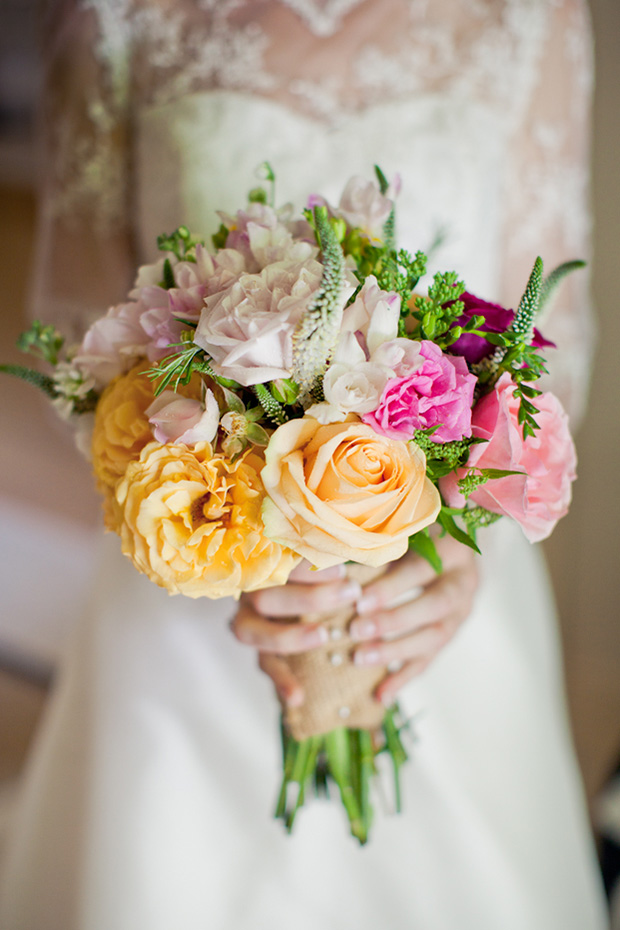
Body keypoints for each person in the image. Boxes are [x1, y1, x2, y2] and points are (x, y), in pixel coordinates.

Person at [0, 1, 607, 928]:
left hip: (438, 588)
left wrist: (452, 539)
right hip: (193, 563)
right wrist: (231, 521)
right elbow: (83, 342)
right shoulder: (108, 13)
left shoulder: (535, 18)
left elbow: (548, 345)